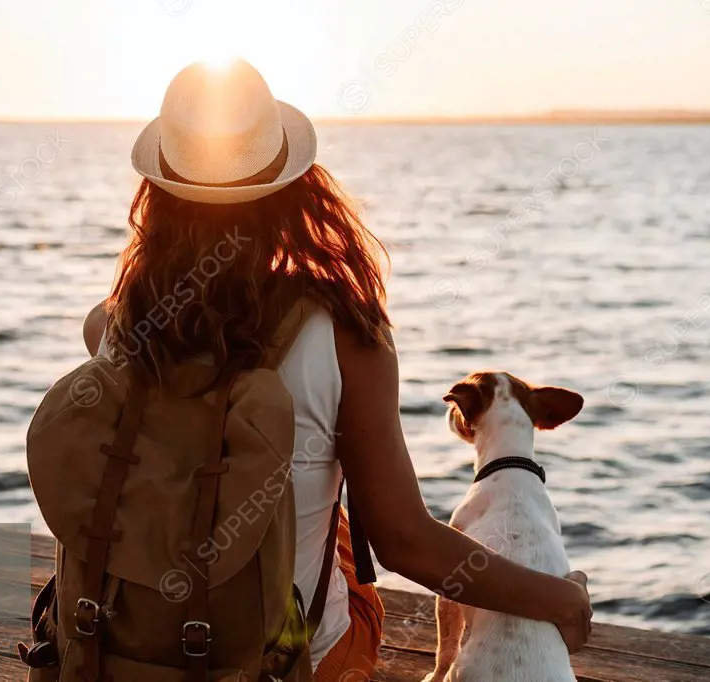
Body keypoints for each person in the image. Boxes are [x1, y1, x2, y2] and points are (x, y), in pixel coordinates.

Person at [82, 58, 592, 680]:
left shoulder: (116, 324)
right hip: (283, 655)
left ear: (157, 194)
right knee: (342, 530)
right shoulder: (349, 337)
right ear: (292, 191)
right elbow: (405, 543)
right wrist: (562, 598)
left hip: (126, 641)